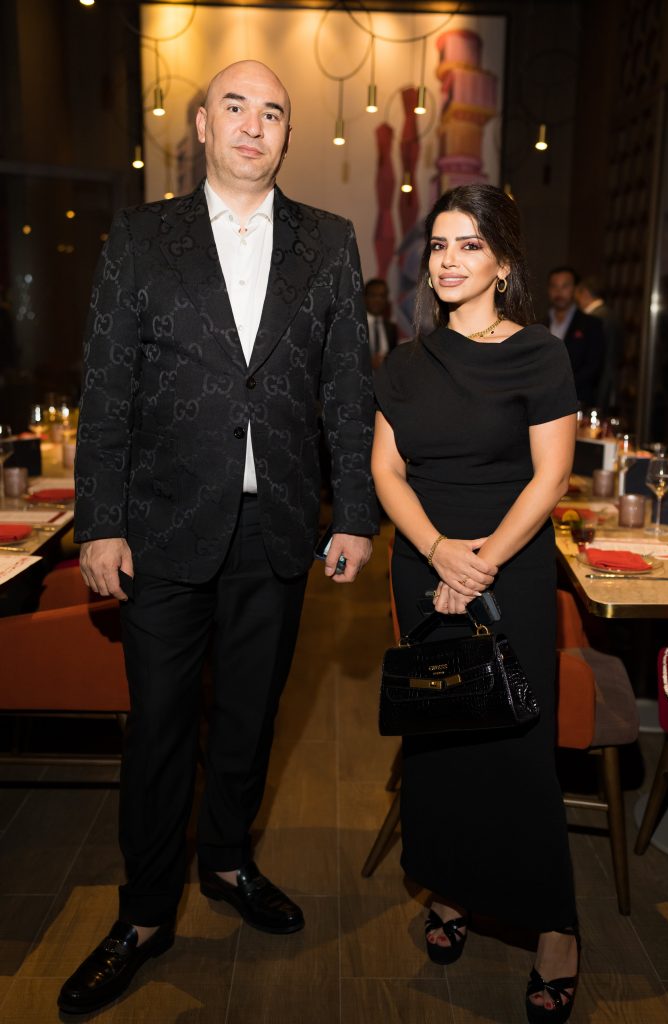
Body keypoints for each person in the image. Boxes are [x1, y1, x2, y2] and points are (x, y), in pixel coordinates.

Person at [59, 60, 378, 1015]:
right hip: (160, 528)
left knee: (249, 718)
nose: (252, 124)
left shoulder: (329, 241)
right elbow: (105, 386)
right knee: (159, 727)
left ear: (286, 135)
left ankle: (230, 861)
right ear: (201, 125)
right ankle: (144, 914)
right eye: (234, 106)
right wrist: (99, 522)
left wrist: (354, 513)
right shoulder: (141, 237)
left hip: (275, 528)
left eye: (271, 112)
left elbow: (346, 391)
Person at [372, 184, 580, 1023]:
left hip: (510, 569)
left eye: (469, 245)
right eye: (438, 245)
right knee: (440, 738)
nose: (450, 260)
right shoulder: (402, 363)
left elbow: (551, 477)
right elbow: (385, 470)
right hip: (424, 565)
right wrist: (437, 552)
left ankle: (554, 927)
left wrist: (480, 563)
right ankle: (450, 889)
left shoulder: (538, 354)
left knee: (517, 745)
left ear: (501, 262)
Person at [545, 265, 604, 406]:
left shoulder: (591, 325)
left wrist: (561, 386)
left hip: (577, 401)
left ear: (576, 289)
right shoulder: (539, 325)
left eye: (565, 286)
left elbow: (593, 367)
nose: (559, 292)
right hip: (543, 401)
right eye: (554, 286)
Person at [574, 274, 624, 410]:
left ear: (584, 292)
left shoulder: (595, 318)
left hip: (599, 383)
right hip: (607, 379)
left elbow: (601, 358)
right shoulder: (609, 314)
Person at [364, 277, 399, 368]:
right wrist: (368, 363)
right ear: (364, 297)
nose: (378, 300)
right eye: (373, 295)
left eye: (382, 296)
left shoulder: (391, 328)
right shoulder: (356, 326)